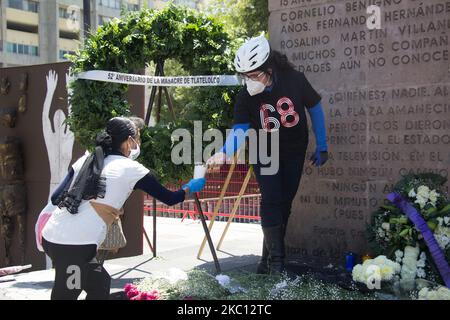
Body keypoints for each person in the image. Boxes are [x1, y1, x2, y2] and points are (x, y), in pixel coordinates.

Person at [41, 116, 205, 300]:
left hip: (53, 235)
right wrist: (190, 187)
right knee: (67, 295)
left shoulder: (87, 159)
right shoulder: (132, 169)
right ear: (129, 141)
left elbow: (56, 197)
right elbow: (170, 198)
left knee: (100, 284)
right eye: (139, 137)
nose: (139, 143)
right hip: (74, 246)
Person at [207, 34, 328, 274]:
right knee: (271, 199)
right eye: (245, 76)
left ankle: (266, 259)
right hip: (264, 151)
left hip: (294, 150)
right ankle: (277, 266)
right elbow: (241, 129)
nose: (249, 81)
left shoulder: (294, 79)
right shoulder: (245, 96)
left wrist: (322, 145)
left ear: (268, 69)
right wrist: (224, 152)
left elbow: (314, 107)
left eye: (253, 75)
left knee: (285, 204)